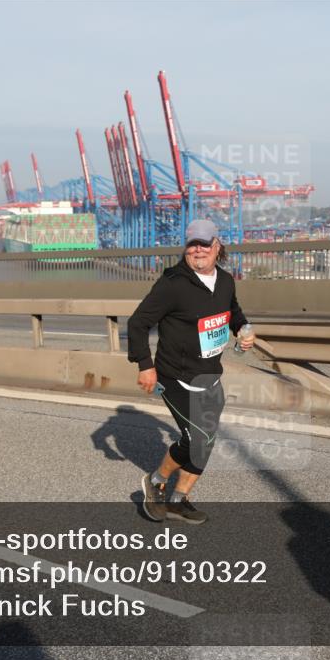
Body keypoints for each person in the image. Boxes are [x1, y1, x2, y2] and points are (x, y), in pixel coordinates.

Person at [127, 219, 253, 524]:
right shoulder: (173, 283)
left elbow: (232, 311)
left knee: (205, 442)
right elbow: (137, 323)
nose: (198, 250)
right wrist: (146, 366)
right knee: (197, 439)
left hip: (210, 374)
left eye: (204, 244)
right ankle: (156, 481)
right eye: (192, 244)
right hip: (175, 376)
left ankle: (179, 500)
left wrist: (244, 328)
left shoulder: (224, 281)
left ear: (217, 246)